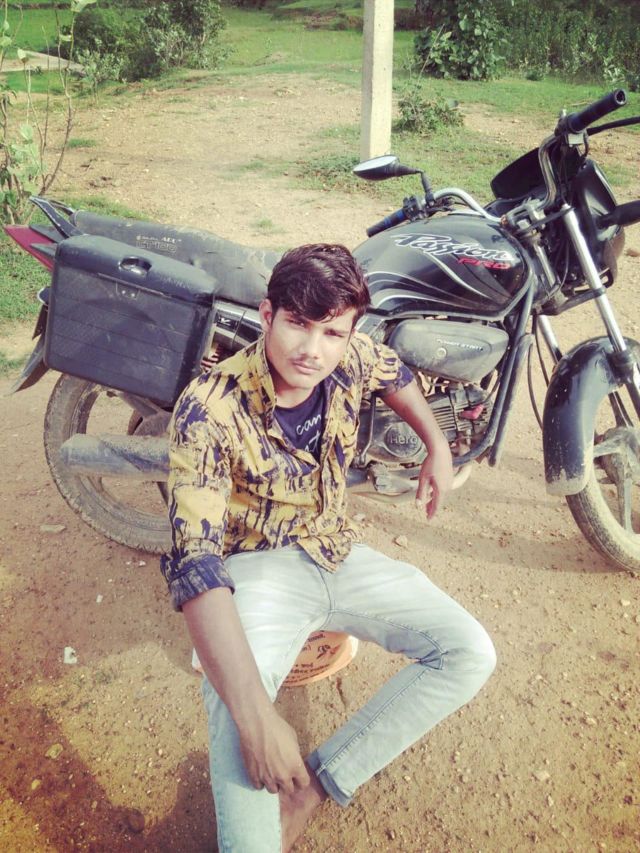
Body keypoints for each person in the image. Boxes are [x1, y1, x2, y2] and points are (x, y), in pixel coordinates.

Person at [161, 243, 496, 853]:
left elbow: (398, 377)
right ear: (267, 315)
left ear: (349, 332)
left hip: (338, 551)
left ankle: (318, 784)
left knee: (470, 652)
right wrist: (258, 721)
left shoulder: (351, 356)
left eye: (332, 332)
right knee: (235, 701)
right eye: (297, 324)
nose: (312, 349)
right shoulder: (208, 410)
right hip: (256, 568)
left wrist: (438, 447)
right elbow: (197, 565)